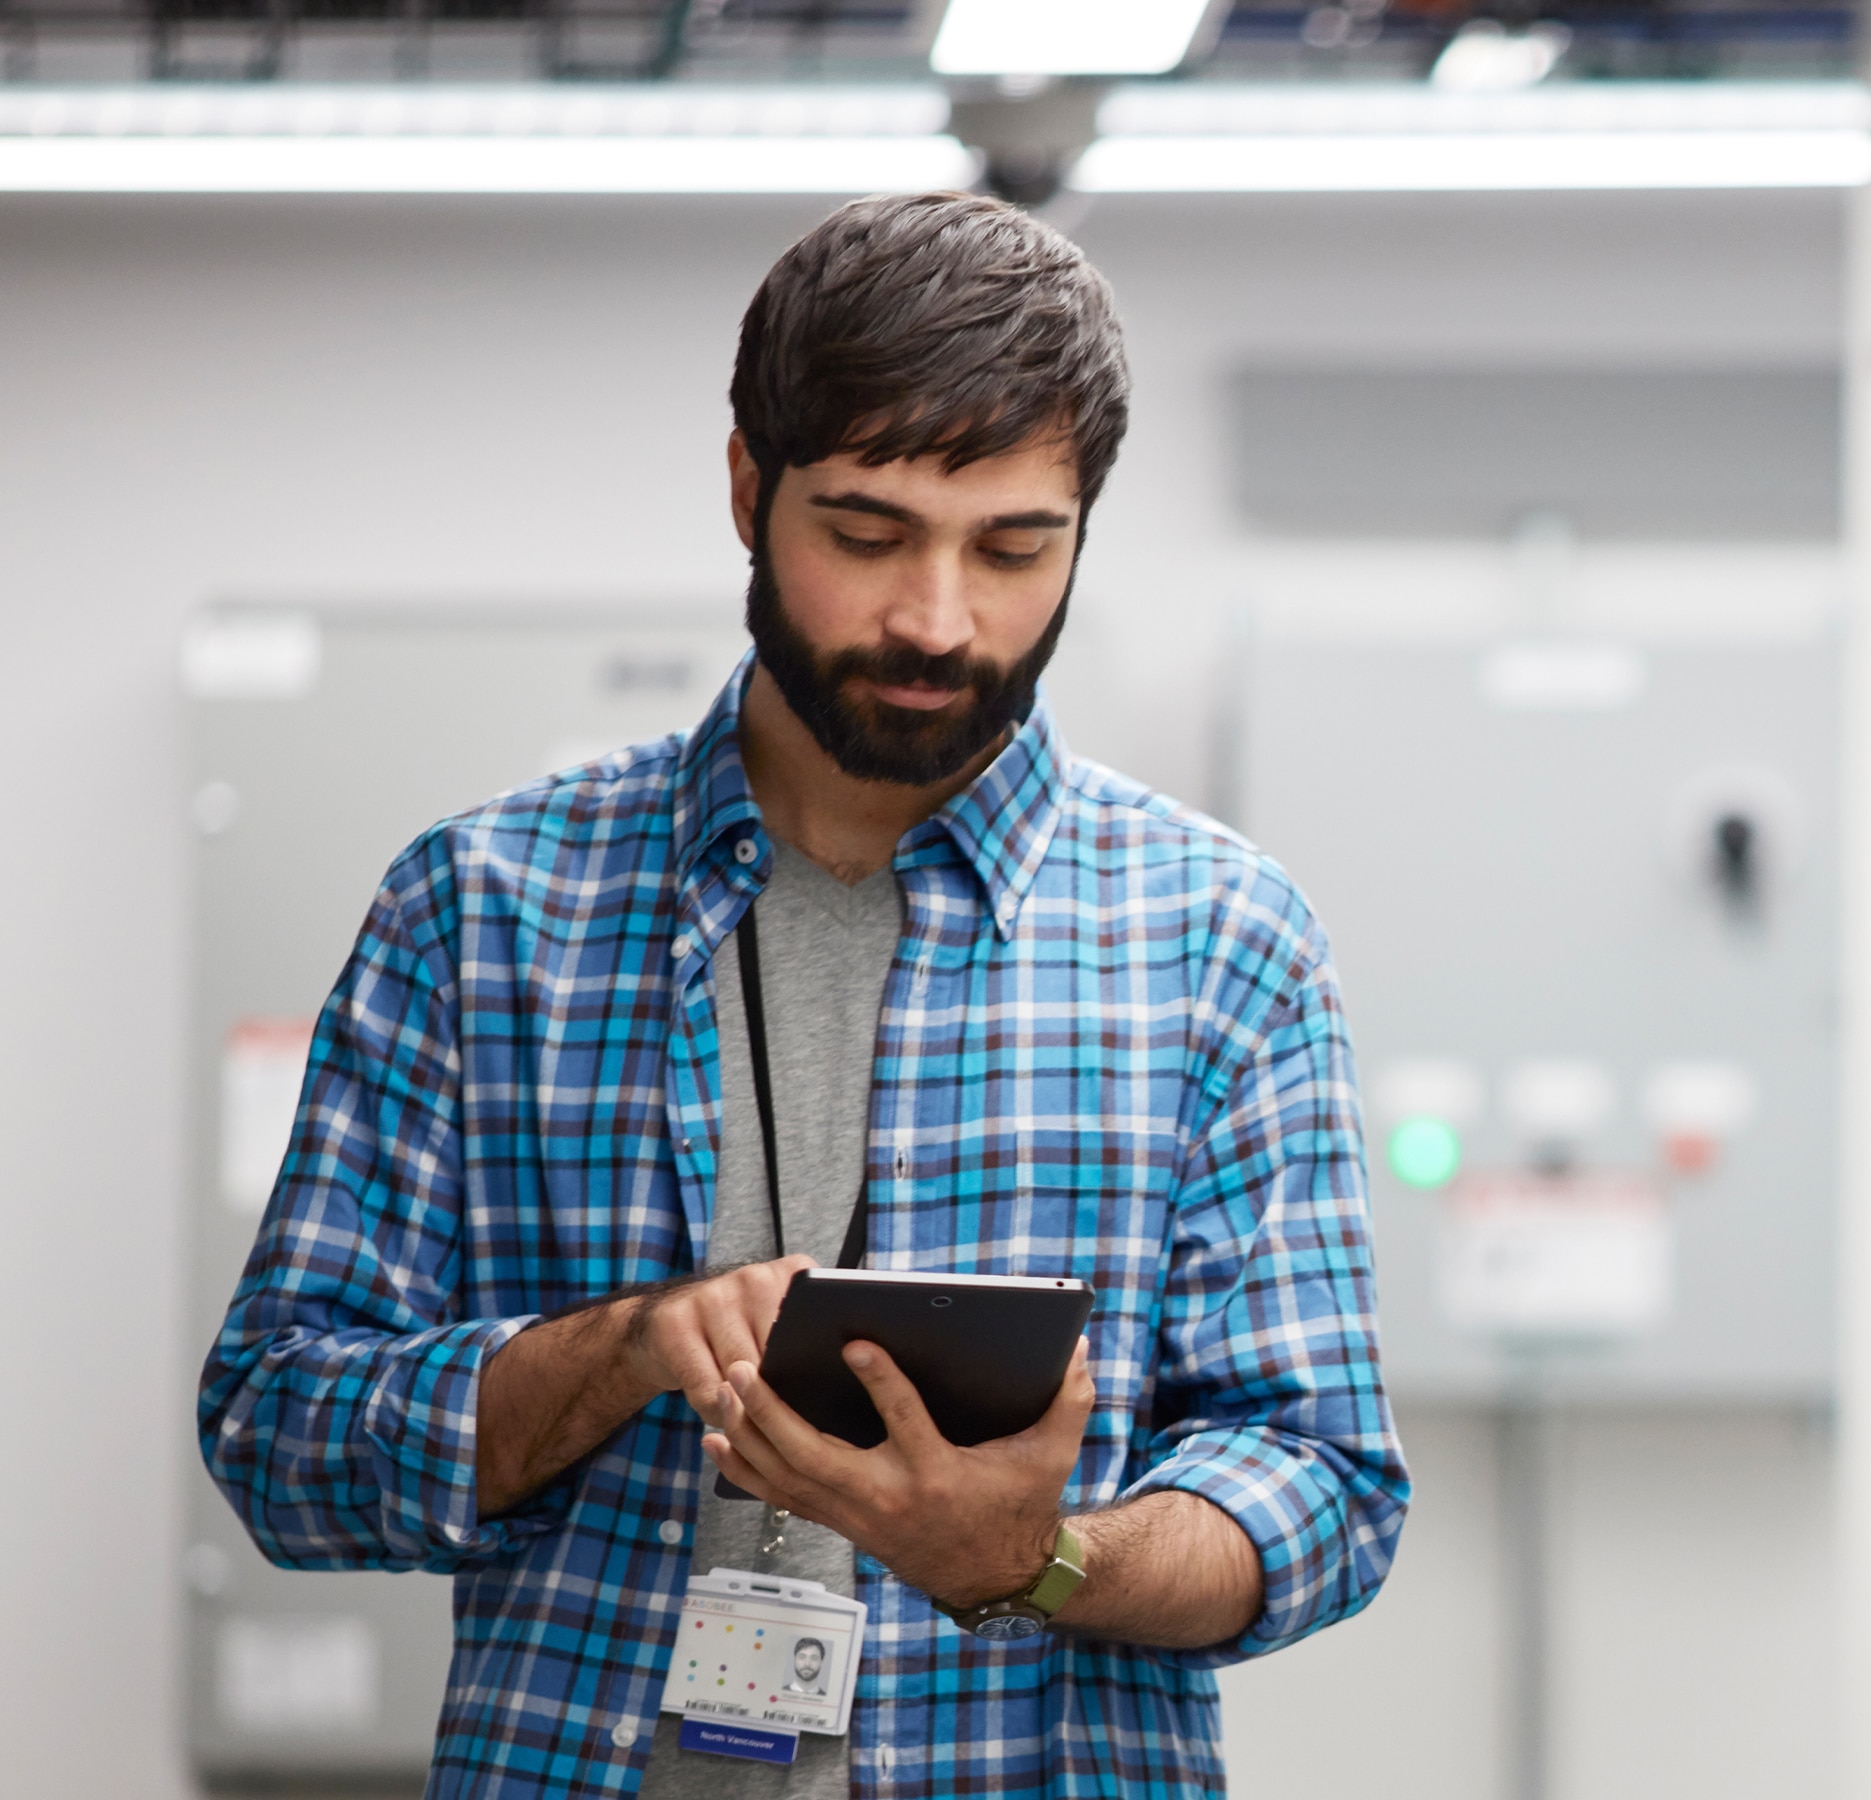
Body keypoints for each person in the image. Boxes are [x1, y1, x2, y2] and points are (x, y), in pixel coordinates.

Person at [198, 192, 1407, 1799]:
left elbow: (1324, 1483)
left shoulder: (1222, 940)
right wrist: (623, 1347)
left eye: (1013, 548)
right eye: (866, 532)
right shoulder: (483, 908)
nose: (937, 618)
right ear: (748, 491)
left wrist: (1032, 1558)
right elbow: (280, 1438)